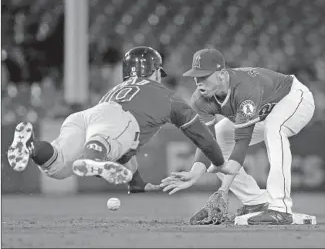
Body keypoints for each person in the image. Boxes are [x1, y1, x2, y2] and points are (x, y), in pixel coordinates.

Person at [8, 46, 235, 195]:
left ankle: (31, 146)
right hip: (117, 122)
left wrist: (136, 182)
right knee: (107, 142)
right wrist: (219, 162)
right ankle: (93, 159)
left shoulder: (116, 89)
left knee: (56, 168)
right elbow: (202, 136)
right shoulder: (169, 97)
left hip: (85, 116)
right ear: (155, 71)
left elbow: (124, 150)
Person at [160, 48, 315, 225]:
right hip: (264, 110)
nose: (199, 82)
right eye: (196, 77)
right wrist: (195, 173)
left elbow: (242, 142)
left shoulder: (244, 89)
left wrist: (223, 189)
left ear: (221, 74)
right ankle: (255, 202)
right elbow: (207, 142)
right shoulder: (200, 100)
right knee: (221, 134)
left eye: (204, 76)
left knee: (274, 129)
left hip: (293, 98)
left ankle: (281, 208)